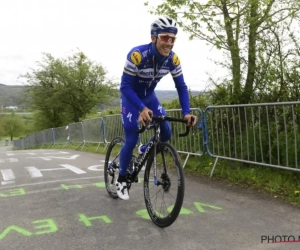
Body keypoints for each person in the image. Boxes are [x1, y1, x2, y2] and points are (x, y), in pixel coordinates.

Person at [116, 16, 197, 200]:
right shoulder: (137, 55)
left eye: (172, 39)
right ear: (154, 37)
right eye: (165, 37)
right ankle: (121, 179)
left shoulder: (173, 60)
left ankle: (144, 150)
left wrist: (186, 112)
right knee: (132, 135)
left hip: (150, 97)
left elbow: (181, 87)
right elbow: (125, 87)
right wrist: (141, 108)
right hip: (131, 98)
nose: (169, 42)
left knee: (166, 133)